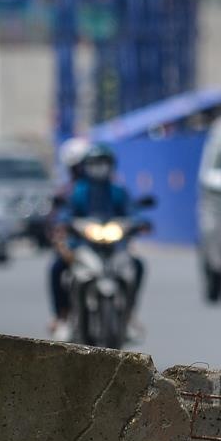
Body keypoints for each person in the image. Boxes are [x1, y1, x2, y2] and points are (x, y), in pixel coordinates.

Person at [47, 143, 144, 343]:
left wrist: (138, 223)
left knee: (138, 266)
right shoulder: (77, 191)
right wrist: (65, 224)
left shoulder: (117, 191)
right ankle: (62, 317)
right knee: (56, 268)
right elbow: (65, 213)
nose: (99, 168)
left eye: (103, 163)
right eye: (95, 164)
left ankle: (129, 316)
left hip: (114, 246)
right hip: (83, 246)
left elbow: (132, 212)